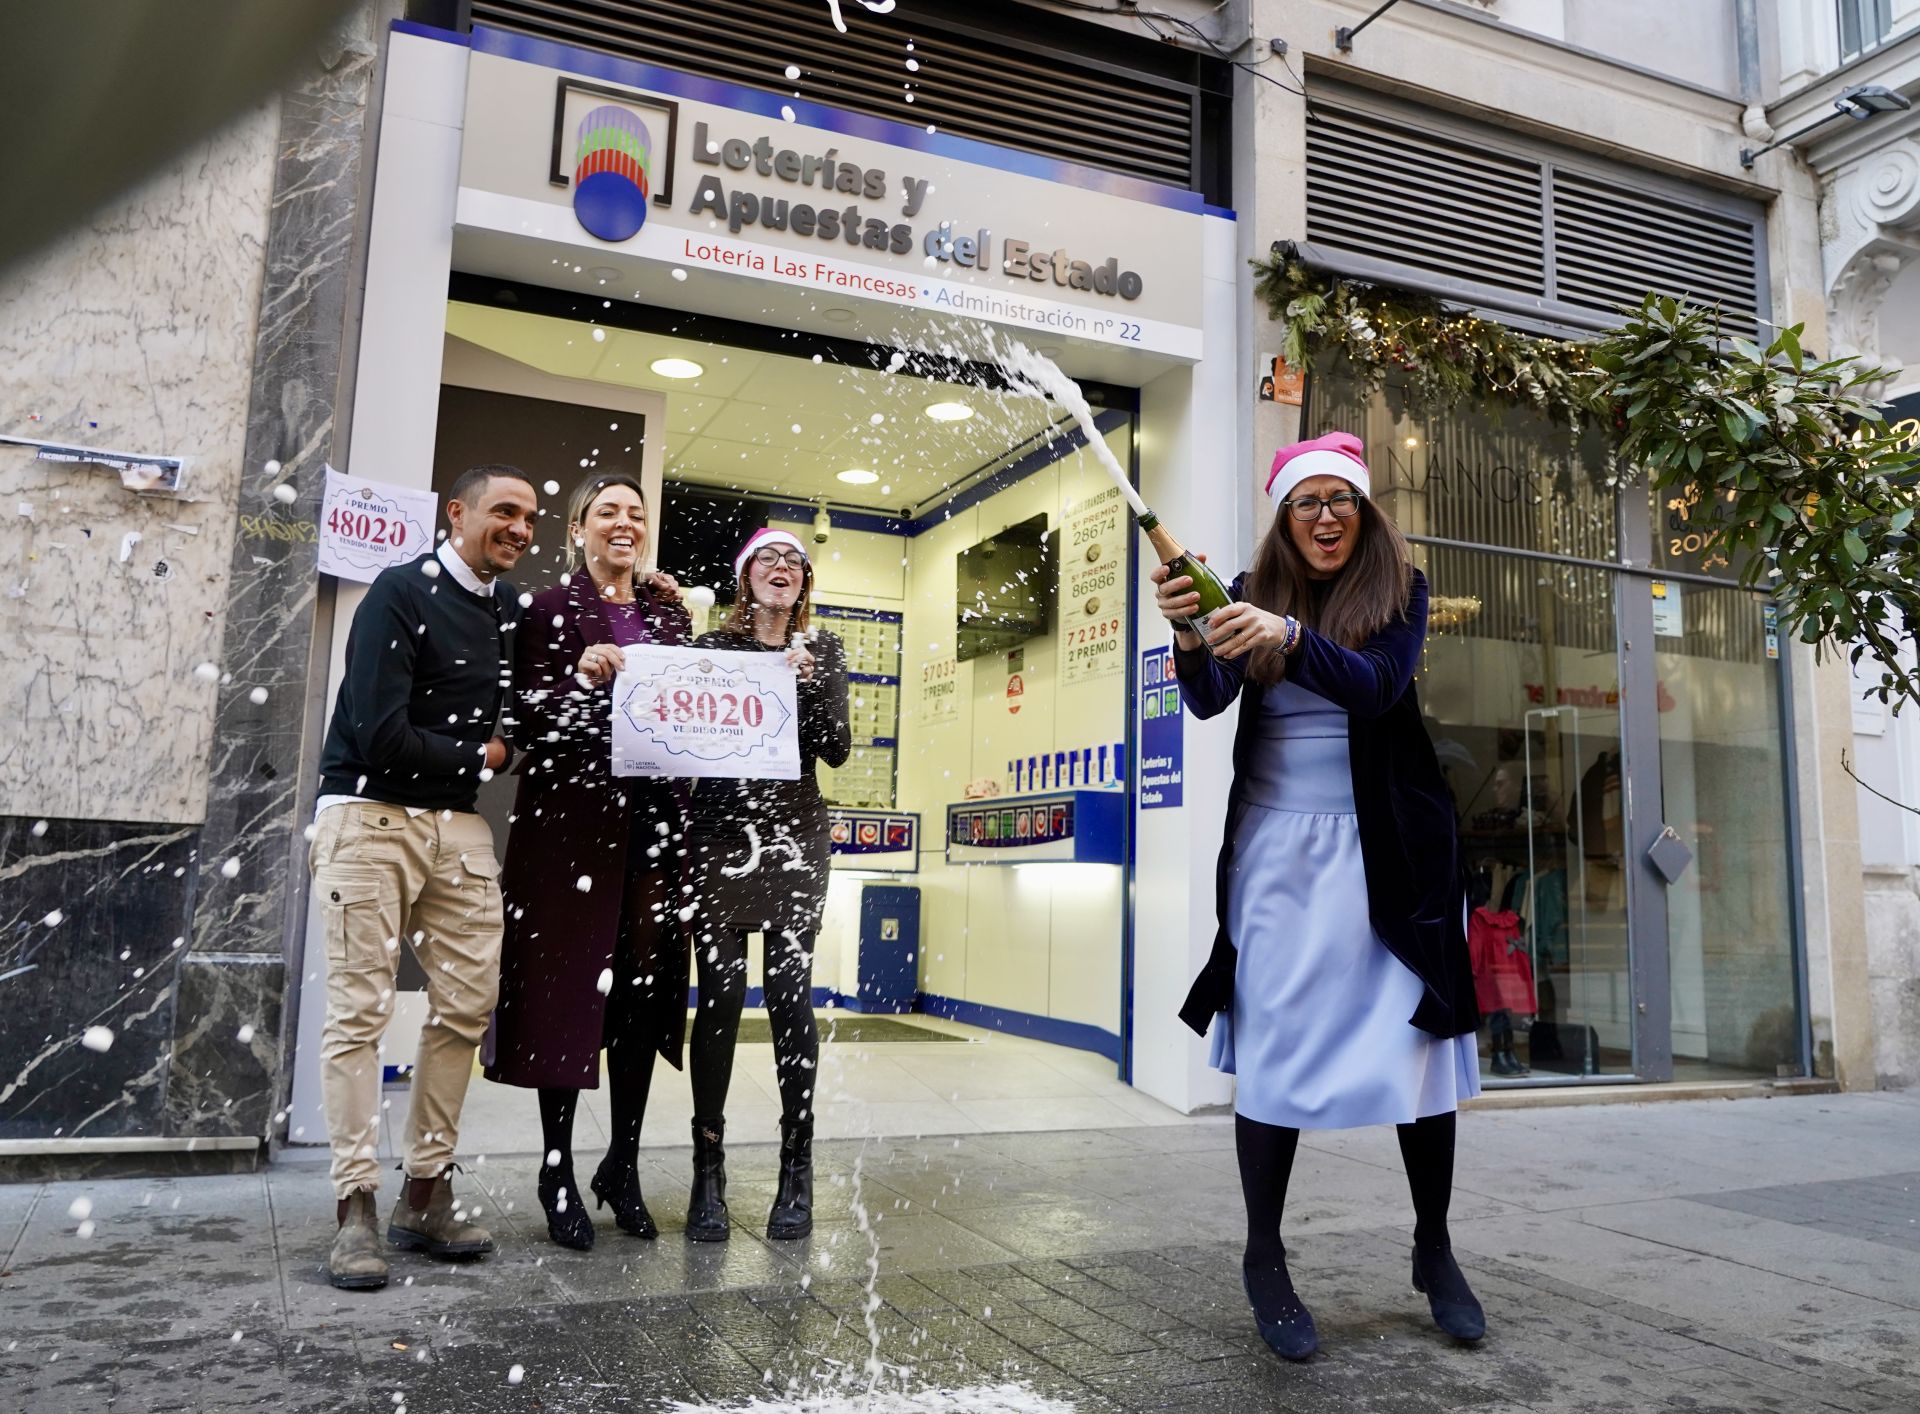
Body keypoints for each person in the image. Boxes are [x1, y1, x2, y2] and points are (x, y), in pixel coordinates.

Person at [1153, 431, 1485, 1360]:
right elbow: (1211, 698)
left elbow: (1378, 689)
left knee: (1416, 1057)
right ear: (1285, 519)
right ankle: (1264, 1257)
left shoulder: (1402, 593)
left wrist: (1291, 639)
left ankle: (1434, 1247)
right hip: (1278, 855)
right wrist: (1191, 627)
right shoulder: (1250, 594)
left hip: (1392, 853)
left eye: (1342, 500)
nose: (1327, 517)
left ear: (1365, 514)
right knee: (1275, 1049)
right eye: (1308, 502)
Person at [309, 463, 537, 1291]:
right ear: (458, 513)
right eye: (503, 512)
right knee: (360, 1012)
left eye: (530, 518)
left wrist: (642, 595)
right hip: (368, 815)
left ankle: (425, 1191)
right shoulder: (399, 593)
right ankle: (355, 1205)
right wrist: (487, 754)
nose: (518, 528)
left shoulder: (513, 611)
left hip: (458, 826)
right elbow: (380, 736)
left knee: (468, 1006)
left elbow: (548, 694)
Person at [484, 473, 690, 1250]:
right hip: (570, 831)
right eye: (608, 512)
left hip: (653, 832)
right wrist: (581, 676)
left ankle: (624, 1165)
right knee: (571, 1005)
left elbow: (695, 706)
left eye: (636, 513)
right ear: (578, 528)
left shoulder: (667, 613)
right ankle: (556, 1168)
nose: (624, 523)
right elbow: (530, 717)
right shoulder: (546, 609)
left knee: (640, 998)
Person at [683, 528, 851, 1242]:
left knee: (789, 997)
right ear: (744, 575)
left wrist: (809, 684)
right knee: (718, 998)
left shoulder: (824, 651)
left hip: (794, 836)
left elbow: (837, 749)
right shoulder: (711, 651)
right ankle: (707, 1171)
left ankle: (796, 1170)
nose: (781, 569)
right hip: (719, 837)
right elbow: (682, 731)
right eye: (767, 559)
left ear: (803, 581)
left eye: (793, 562)